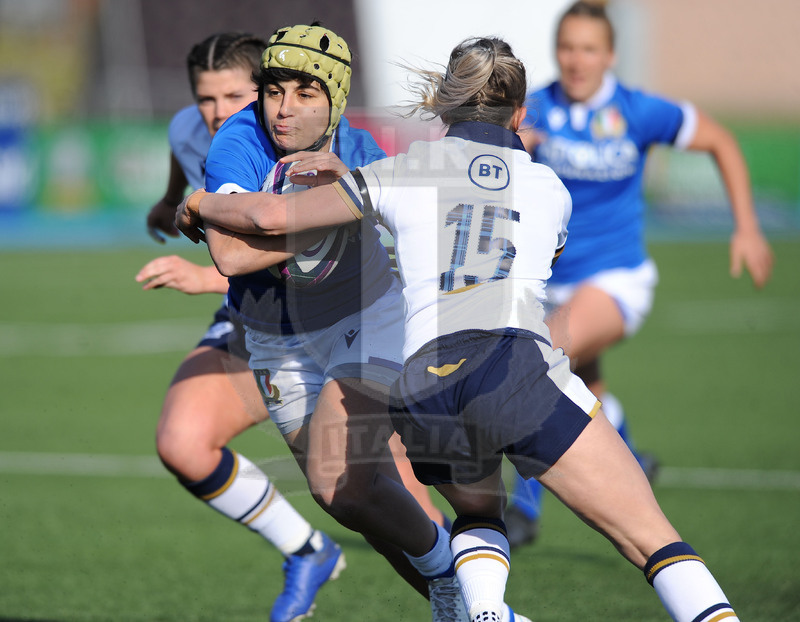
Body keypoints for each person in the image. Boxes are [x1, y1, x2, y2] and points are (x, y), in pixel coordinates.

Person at [176, 34, 743, 622]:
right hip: (513, 367)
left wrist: (197, 205)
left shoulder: (399, 169)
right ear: (521, 115)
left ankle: (488, 614)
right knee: (656, 542)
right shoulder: (551, 189)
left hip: (428, 383)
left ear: (443, 105)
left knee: (476, 519)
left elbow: (266, 216)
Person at [169, 23, 515, 622]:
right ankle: (448, 579)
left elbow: (259, 236)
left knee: (340, 477)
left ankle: (466, 585)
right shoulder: (237, 140)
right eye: (274, 90)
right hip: (272, 339)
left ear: (334, 97)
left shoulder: (359, 154)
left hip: (366, 315)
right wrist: (334, 219)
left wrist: (278, 218)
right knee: (348, 500)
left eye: (305, 93)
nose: (283, 109)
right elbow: (229, 257)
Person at [504, 0, 775, 548]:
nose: (576, 61)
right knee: (581, 386)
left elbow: (720, 141)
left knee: (540, 357)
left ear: (611, 55)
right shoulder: (539, 111)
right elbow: (494, 160)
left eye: (589, 49)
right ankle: (629, 452)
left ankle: (522, 507)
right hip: (547, 284)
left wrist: (746, 227)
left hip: (617, 280)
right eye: (567, 48)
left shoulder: (639, 110)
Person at [135, 32, 348, 622]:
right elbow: (189, 183)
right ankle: (308, 551)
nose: (218, 111)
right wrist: (168, 201)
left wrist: (201, 272)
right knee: (182, 442)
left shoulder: (299, 145)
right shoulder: (189, 130)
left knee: (370, 496)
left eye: (235, 94)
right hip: (252, 317)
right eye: (205, 99)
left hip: (329, 321)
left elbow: (300, 250)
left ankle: (476, 596)